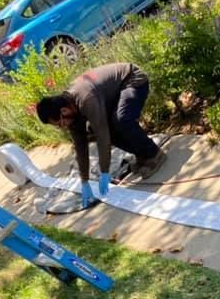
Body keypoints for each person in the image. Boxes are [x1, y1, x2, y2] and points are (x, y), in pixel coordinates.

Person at [35, 63, 166, 209]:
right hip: (115, 94)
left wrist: (104, 172)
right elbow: (81, 147)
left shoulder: (85, 98)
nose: (62, 127)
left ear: (64, 111)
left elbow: (103, 135)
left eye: (59, 124)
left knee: (120, 120)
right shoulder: (71, 114)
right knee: (99, 128)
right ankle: (142, 154)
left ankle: (154, 154)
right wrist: (84, 182)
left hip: (132, 80)